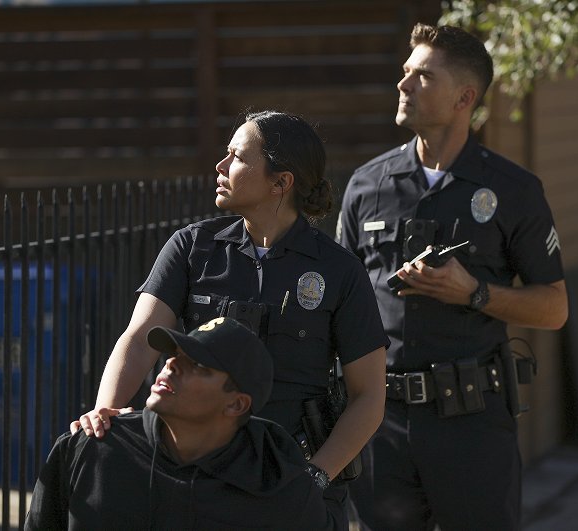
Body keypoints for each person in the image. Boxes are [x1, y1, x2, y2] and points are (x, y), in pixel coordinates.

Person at [70, 110, 389, 529]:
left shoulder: (340, 271)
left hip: (289, 477)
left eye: (237, 157)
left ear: (281, 182)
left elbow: (368, 397)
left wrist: (313, 476)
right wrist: (106, 411)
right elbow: (139, 337)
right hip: (193, 475)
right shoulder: (191, 247)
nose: (221, 167)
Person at [338, 22, 568, 530]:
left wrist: (475, 292)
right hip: (380, 420)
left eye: (422, 77)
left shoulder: (513, 188)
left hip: (471, 422)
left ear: (464, 96)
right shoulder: (366, 186)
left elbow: (554, 308)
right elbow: (342, 304)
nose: (403, 85)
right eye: (405, 73)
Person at [26, 317, 336, 530]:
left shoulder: (282, 489)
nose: (171, 364)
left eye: (197, 365)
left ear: (236, 403)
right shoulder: (92, 448)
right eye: (175, 353)